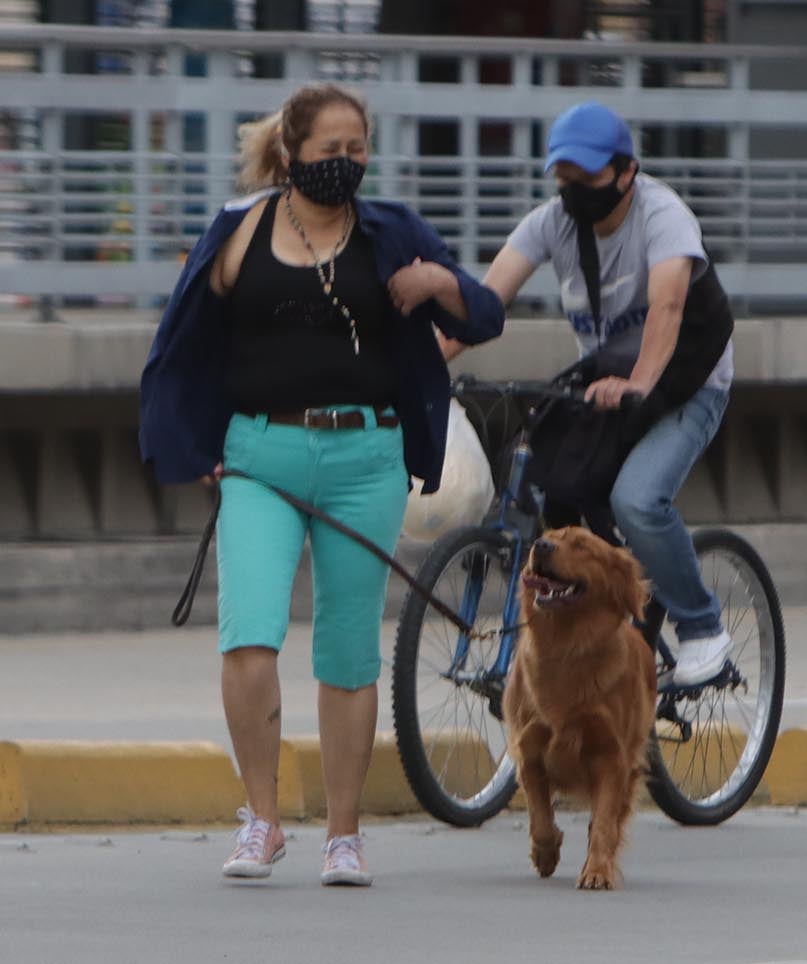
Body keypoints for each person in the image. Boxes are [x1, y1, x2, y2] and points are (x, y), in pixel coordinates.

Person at [138, 83, 504, 886]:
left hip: (364, 458)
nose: (346, 164)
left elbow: (481, 316)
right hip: (260, 456)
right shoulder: (237, 231)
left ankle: (343, 834)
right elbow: (182, 342)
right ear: (289, 154)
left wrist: (437, 286)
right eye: (329, 150)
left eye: (357, 149)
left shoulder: (391, 231)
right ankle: (261, 820)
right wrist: (191, 442)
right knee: (249, 634)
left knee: (347, 654)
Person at [443, 101, 734, 687]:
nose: (574, 190)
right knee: (556, 490)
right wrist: (418, 368)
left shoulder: (663, 215)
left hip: (687, 385)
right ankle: (606, 630)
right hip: (607, 389)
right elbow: (483, 304)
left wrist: (641, 385)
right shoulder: (550, 224)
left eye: (589, 177)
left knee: (637, 500)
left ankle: (704, 629)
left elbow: (670, 304)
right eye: (564, 178)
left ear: (627, 171)